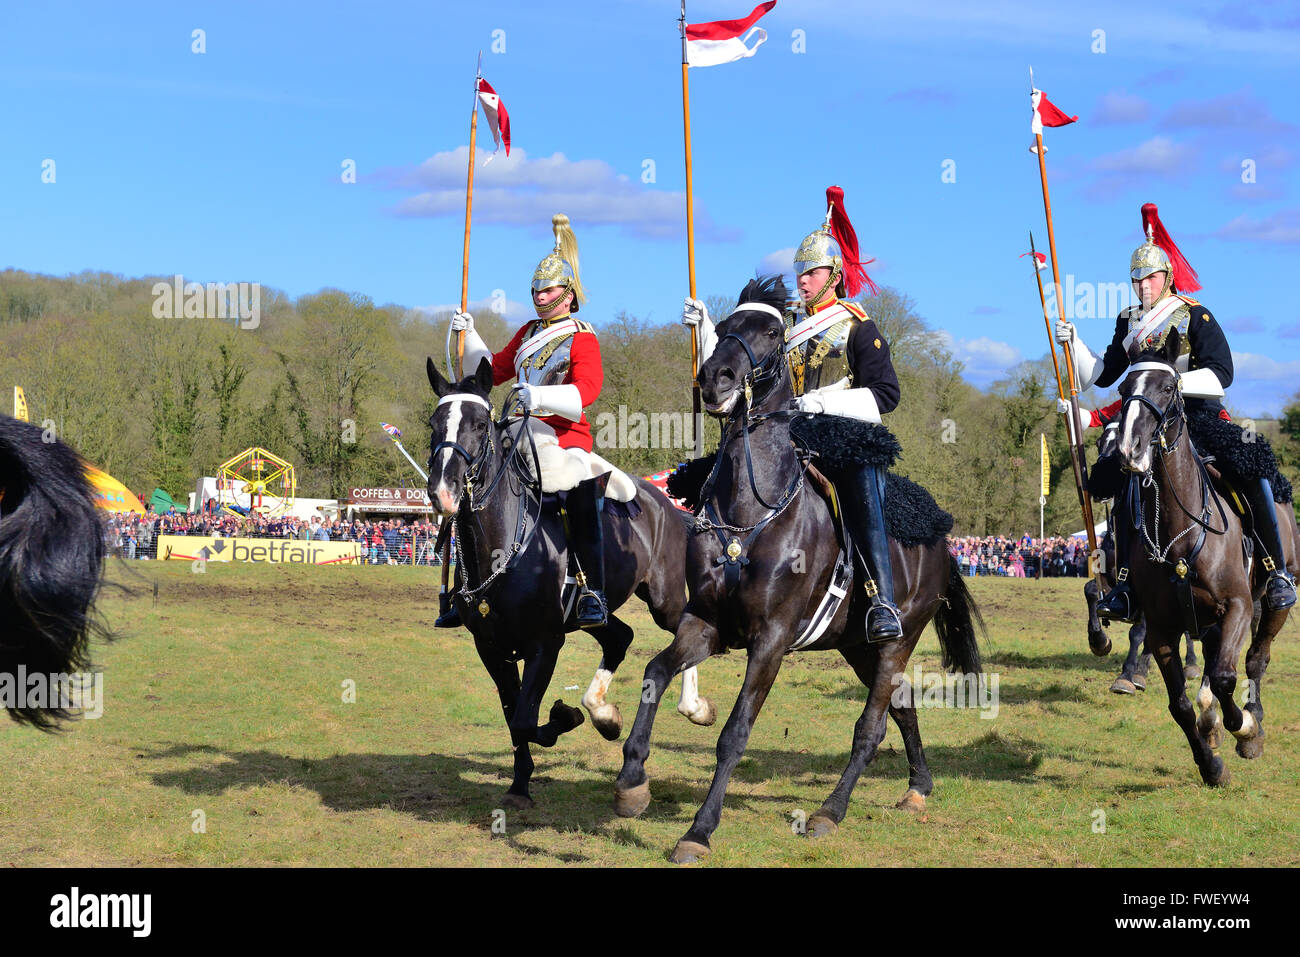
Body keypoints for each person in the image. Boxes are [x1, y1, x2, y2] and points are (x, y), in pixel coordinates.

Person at [683, 186, 904, 640]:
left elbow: (885, 394)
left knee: (860, 484)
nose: (802, 280)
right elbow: (742, 374)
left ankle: (881, 599)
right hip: (784, 434)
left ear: (835, 274)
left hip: (841, 434)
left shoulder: (857, 327)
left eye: (812, 272)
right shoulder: (785, 332)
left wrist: (822, 402)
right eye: (800, 272)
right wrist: (706, 329)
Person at [1056, 202, 1296, 618]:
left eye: (1150, 277)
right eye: (1136, 278)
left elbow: (1223, 373)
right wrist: (1073, 340)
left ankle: (1276, 572)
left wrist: (1176, 385)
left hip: (1198, 418)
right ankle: (1126, 584)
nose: (1143, 285)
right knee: (1118, 477)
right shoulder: (1128, 321)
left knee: (1249, 467)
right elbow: (1105, 371)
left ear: (1166, 276)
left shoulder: (1193, 315)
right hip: (1148, 421)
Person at [442, 213, 616, 629]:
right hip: (515, 432)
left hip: (562, 437)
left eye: (549, 288)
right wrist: (470, 334)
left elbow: (588, 390)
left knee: (573, 492)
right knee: (470, 481)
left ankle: (590, 588)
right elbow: (493, 370)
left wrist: (538, 396)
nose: (540, 294)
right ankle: (461, 588)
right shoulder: (526, 333)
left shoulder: (582, 336)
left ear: (568, 294)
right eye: (536, 288)